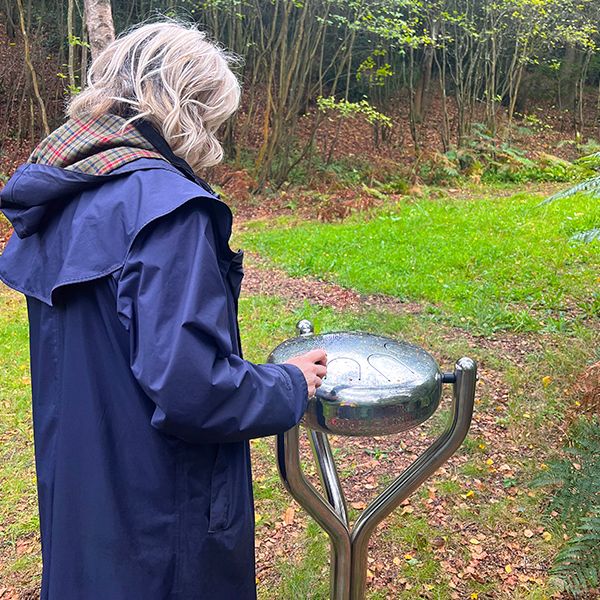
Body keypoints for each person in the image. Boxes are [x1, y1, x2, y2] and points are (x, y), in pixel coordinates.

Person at [0, 21, 327, 600]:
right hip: (162, 527)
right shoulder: (169, 210)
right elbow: (193, 391)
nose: (214, 137)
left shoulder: (67, 195)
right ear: (187, 109)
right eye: (214, 118)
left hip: (83, 508)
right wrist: (289, 385)